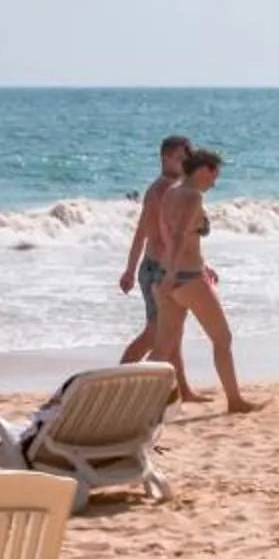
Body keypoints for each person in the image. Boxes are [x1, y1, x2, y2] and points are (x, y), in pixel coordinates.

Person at [155, 149, 262, 414]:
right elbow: (180, 235)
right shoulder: (192, 196)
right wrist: (181, 271)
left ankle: (130, 403)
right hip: (186, 278)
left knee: (162, 349)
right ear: (204, 170)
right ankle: (235, 401)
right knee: (222, 338)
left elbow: (168, 234)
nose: (214, 183)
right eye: (214, 175)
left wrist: (175, 270)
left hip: (166, 275)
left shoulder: (171, 192)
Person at [117, 134, 205, 399]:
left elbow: (144, 232)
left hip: (159, 267)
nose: (183, 162)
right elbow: (154, 234)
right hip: (159, 269)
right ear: (164, 158)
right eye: (179, 158)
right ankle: (119, 383)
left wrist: (131, 269)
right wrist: (131, 270)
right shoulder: (164, 189)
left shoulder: (169, 187)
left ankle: (184, 390)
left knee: (173, 333)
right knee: (156, 334)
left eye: (186, 158)